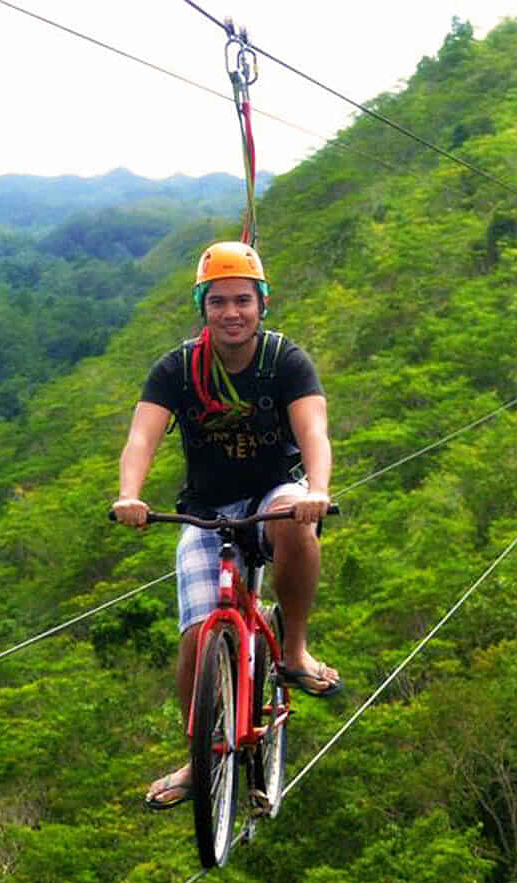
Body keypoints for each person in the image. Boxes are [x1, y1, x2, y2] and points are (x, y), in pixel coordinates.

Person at [112, 240, 342, 810]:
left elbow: (313, 431)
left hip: (274, 492)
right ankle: (199, 756)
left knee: (294, 523)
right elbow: (142, 437)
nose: (232, 312)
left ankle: (293, 652)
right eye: (219, 302)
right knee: (196, 637)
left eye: (243, 300)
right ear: (203, 307)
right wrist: (129, 496)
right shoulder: (177, 369)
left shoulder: (284, 361)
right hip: (208, 506)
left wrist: (316, 490)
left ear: (262, 304)